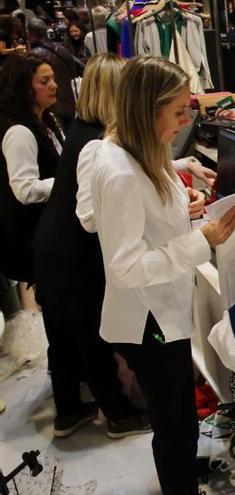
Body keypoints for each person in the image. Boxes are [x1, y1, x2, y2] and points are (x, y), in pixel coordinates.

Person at [89, 55, 235, 494]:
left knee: (179, 414)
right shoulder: (118, 170)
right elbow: (125, 266)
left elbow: (149, 218)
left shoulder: (144, 153)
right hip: (147, 321)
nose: (185, 119)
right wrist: (202, 240)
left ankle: (182, 474)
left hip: (160, 311)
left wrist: (184, 211)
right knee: (174, 419)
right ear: (148, 109)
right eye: (177, 111)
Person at [29, 53, 152, 439]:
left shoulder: (82, 130)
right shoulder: (95, 142)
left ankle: (69, 413)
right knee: (92, 337)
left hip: (51, 249)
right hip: (70, 255)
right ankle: (117, 415)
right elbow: (91, 214)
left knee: (65, 338)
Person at [0, 53, 64, 295]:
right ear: (24, 88)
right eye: (44, 81)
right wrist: (68, 182)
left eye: (53, 79)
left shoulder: (46, 120)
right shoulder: (20, 132)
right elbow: (24, 190)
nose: (54, 85)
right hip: (35, 237)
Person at [27, 18, 82, 130]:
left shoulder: (33, 57)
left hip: (51, 106)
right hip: (70, 101)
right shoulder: (61, 49)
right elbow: (79, 67)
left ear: (31, 34)